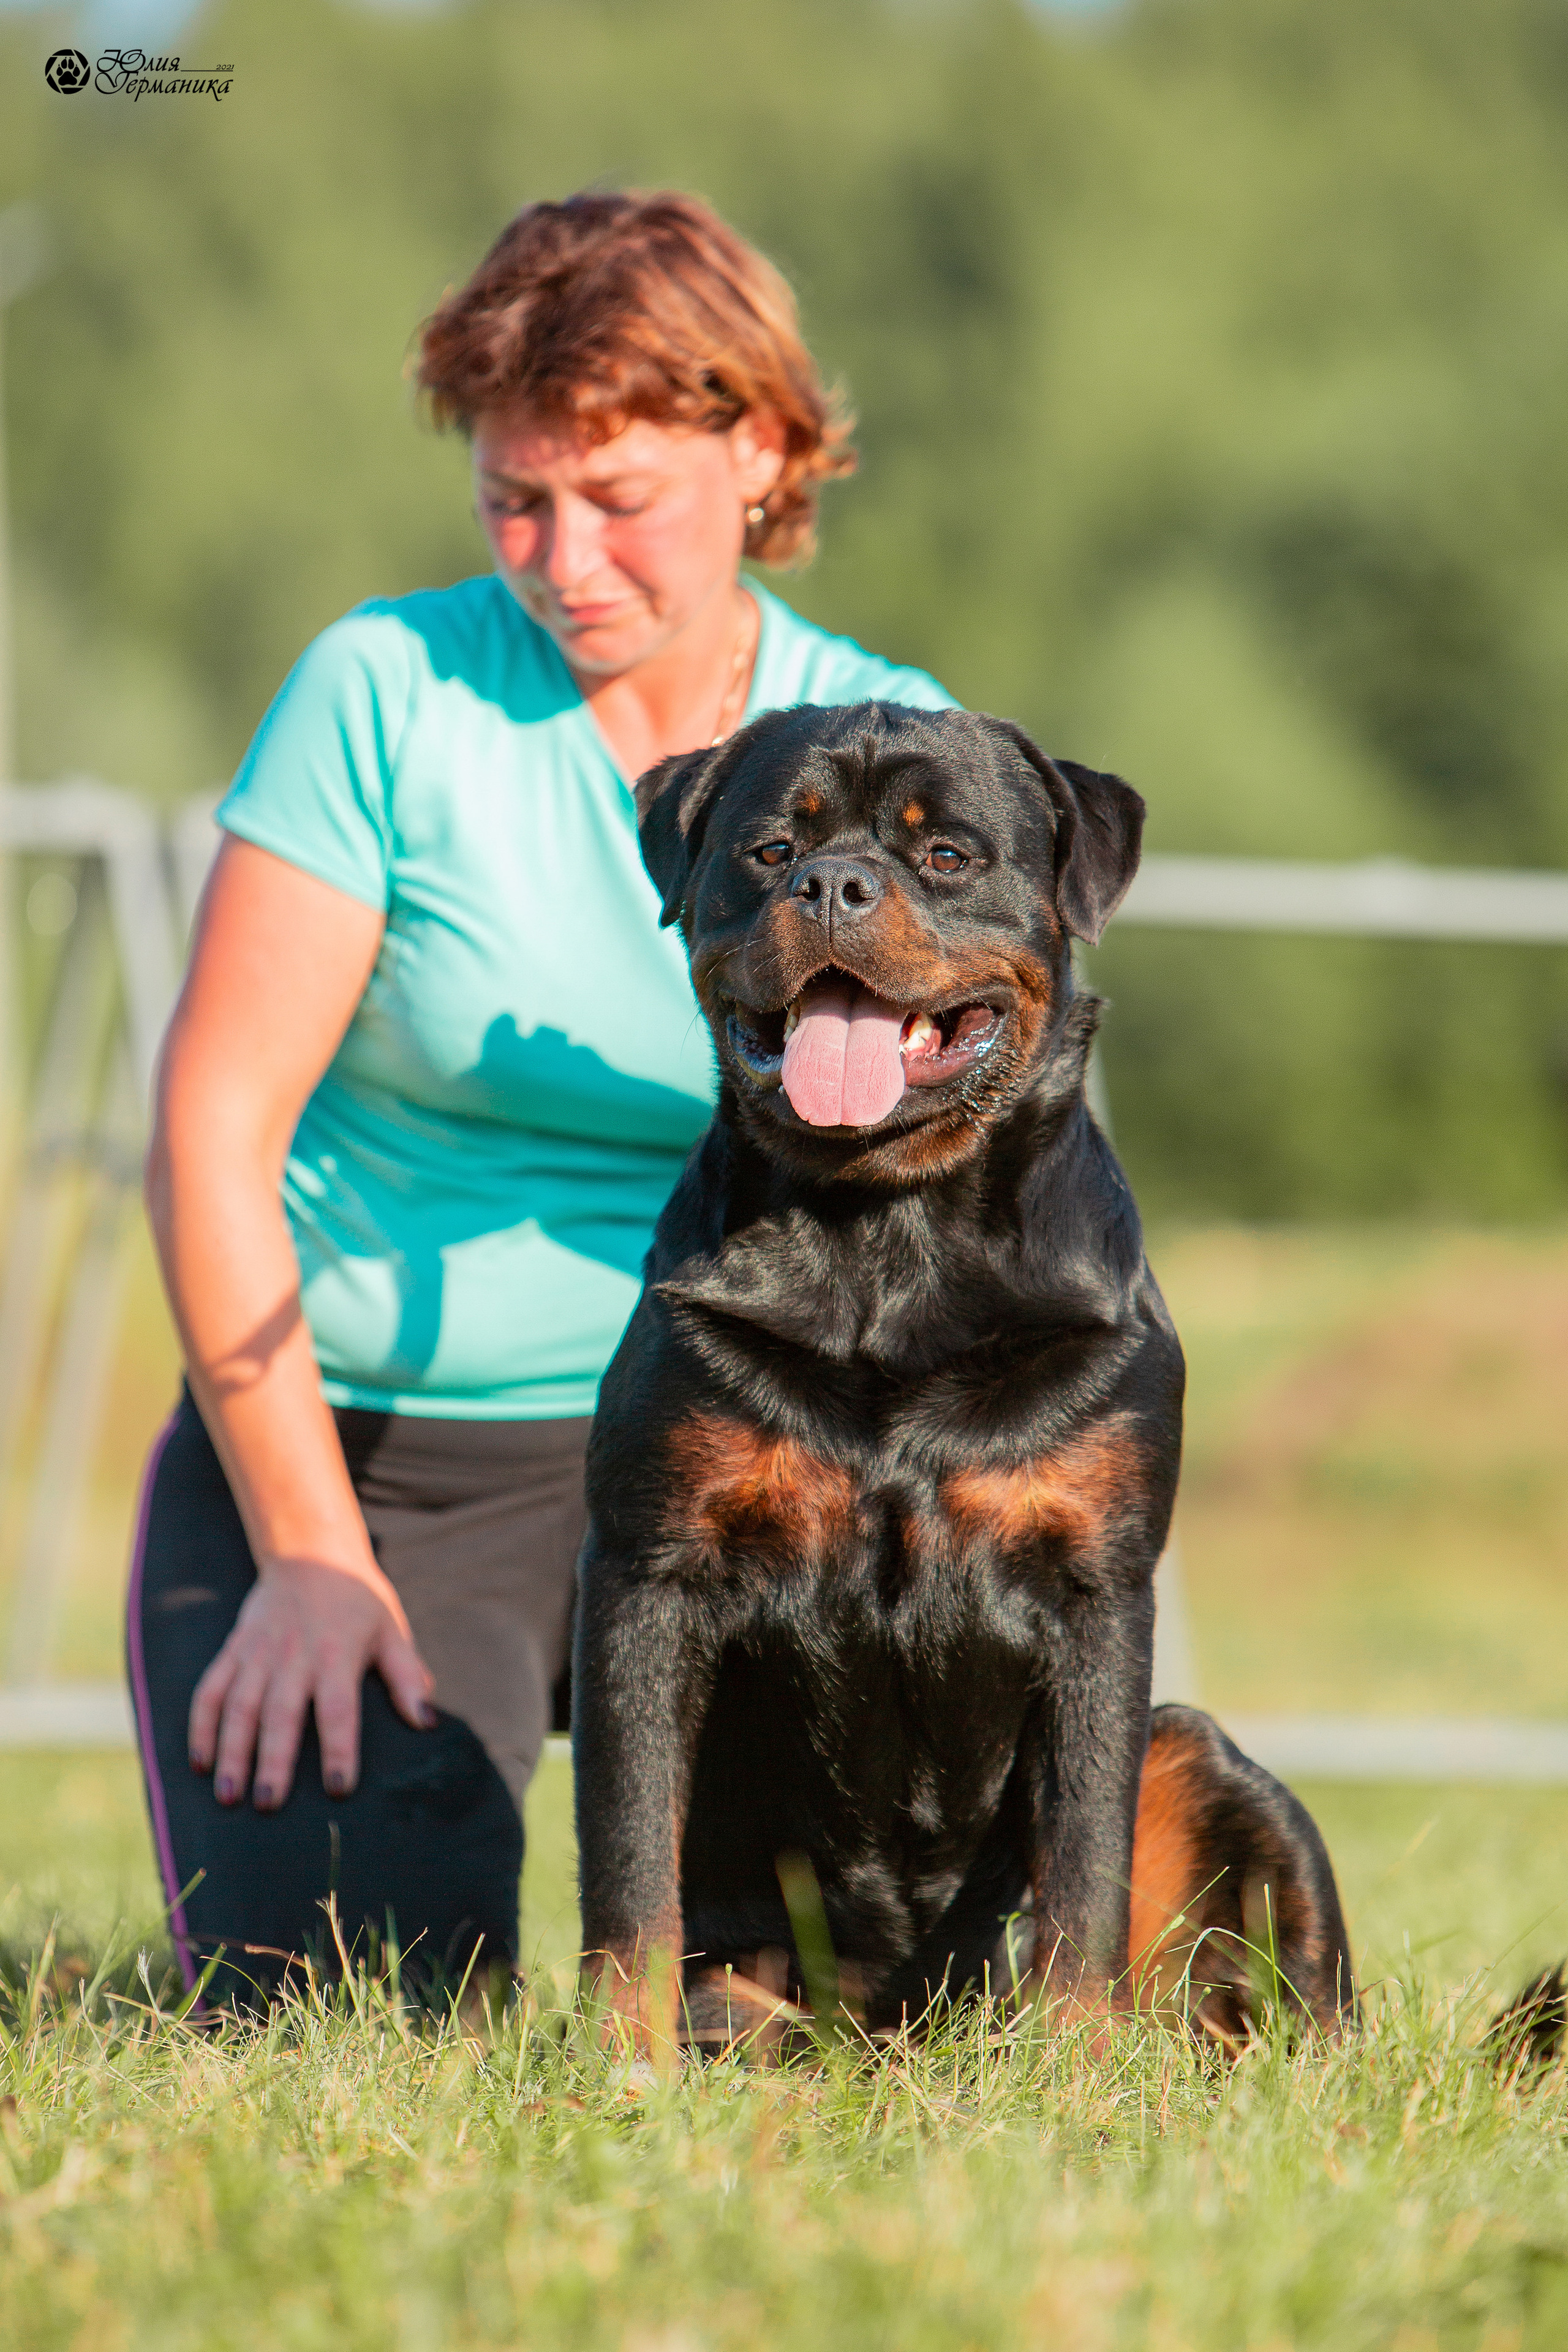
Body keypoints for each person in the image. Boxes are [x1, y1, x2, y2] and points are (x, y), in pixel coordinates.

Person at [130, 189, 954, 2007]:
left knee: (835, 2002)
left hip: (756, 1450)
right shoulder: (384, 692)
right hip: (391, 1460)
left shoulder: (886, 748)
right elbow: (209, 1136)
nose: (564, 560)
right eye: (515, 500)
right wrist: (309, 1558)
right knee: (345, 2003)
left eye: (618, 498)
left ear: (760, 451)